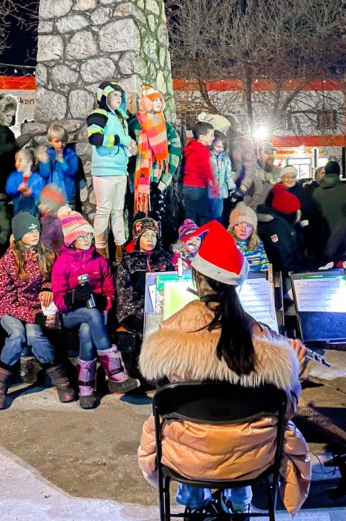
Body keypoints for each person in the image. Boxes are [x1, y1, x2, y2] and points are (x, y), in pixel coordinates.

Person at [137, 220, 313, 517]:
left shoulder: (167, 335)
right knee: (244, 427)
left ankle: (193, 503)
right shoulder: (267, 342)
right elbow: (287, 408)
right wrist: (294, 364)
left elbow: (166, 401)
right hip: (253, 459)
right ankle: (240, 503)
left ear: (197, 277)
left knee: (185, 424)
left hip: (188, 458)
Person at [52, 207, 140, 409]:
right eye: (81, 236)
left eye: (89, 235)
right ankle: (115, 372)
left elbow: (110, 292)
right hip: (70, 314)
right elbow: (59, 301)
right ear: (71, 240)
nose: (86, 240)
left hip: (97, 314)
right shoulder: (62, 263)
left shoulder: (99, 261)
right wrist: (73, 296)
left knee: (87, 329)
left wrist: (103, 301)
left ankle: (86, 390)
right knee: (89, 316)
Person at [0, 213, 76, 409]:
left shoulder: (45, 254)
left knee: (35, 335)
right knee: (17, 335)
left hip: (34, 307)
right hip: (10, 310)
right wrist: (33, 317)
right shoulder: (7, 262)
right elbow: (5, 300)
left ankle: (61, 382)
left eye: (36, 229)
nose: (35, 233)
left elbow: (51, 279)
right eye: (29, 231)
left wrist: (47, 289)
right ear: (19, 235)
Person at [87, 81, 135, 260]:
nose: (119, 97)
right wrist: (121, 140)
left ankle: (120, 250)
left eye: (120, 95)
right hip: (105, 170)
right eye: (115, 94)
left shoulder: (121, 117)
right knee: (104, 209)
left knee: (118, 210)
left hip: (120, 170)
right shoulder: (99, 114)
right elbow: (95, 138)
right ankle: (100, 250)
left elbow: (121, 142)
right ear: (104, 97)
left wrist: (130, 148)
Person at [115, 214, 175, 336]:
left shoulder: (164, 259)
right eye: (145, 235)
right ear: (137, 238)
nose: (150, 239)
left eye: (154, 235)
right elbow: (126, 298)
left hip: (162, 311)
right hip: (133, 313)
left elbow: (172, 287)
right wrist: (148, 312)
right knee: (155, 330)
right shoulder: (128, 262)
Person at [130, 86, 172, 216]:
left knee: (158, 212)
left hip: (158, 175)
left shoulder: (164, 123)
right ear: (146, 102)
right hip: (141, 174)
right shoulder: (135, 123)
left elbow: (172, 148)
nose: (158, 103)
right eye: (154, 100)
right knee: (141, 212)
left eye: (160, 100)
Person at [257, 183, 312, 275]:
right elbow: (284, 259)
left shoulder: (281, 224)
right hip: (284, 275)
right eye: (297, 211)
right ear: (291, 213)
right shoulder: (276, 227)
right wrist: (303, 270)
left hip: (286, 271)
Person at [36, 124, 80, 211]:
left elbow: (73, 171)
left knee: (68, 222)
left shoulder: (71, 155)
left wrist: (62, 161)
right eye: (57, 141)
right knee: (52, 222)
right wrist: (45, 162)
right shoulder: (47, 155)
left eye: (63, 141)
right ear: (50, 141)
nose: (60, 144)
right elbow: (44, 174)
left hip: (67, 197)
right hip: (50, 198)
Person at [181, 120, 218, 225]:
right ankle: (202, 238)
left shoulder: (189, 148)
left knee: (190, 216)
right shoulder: (202, 150)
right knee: (204, 215)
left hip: (187, 186)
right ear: (202, 137)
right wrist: (213, 184)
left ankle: (190, 237)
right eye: (211, 135)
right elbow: (206, 169)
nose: (213, 138)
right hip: (199, 186)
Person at [227, 202, 269, 273]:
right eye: (238, 225)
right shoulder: (224, 244)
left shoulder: (258, 244)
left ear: (253, 229)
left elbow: (265, 270)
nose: (243, 229)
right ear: (232, 227)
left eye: (248, 226)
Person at [312, 160, 346, 235]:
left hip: (322, 233)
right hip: (341, 232)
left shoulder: (317, 191)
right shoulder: (345, 190)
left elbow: (314, 214)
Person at [6, 147, 47, 216]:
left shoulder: (38, 178)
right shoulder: (13, 176)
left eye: (20, 161)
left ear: (29, 162)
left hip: (33, 213)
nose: (16, 163)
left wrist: (32, 192)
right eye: (16, 161)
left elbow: (42, 194)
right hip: (18, 213)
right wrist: (17, 189)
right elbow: (8, 189)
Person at [242, 141, 281, 210]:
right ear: (259, 154)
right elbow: (244, 197)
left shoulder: (279, 171)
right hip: (256, 210)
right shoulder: (250, 171)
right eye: (267, 153)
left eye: (272, 153)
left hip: (276, 209)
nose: (271, 156)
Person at [210, 132, 238, 224]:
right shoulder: (206, 157)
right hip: (207, 193)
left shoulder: (225, 159)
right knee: (206, 217)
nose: (220, 149)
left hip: (220, 193)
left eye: (222, 147)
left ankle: (217, 236)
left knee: (218, 217)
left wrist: (232, 190)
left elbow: (228, 176)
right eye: (218, 147)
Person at [37, 184, 67, 253]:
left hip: (50, 254)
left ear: (50, 206)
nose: (39, 206)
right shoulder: (47, 217)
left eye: (42, 203)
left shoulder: (52, 223)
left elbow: (45, 241)